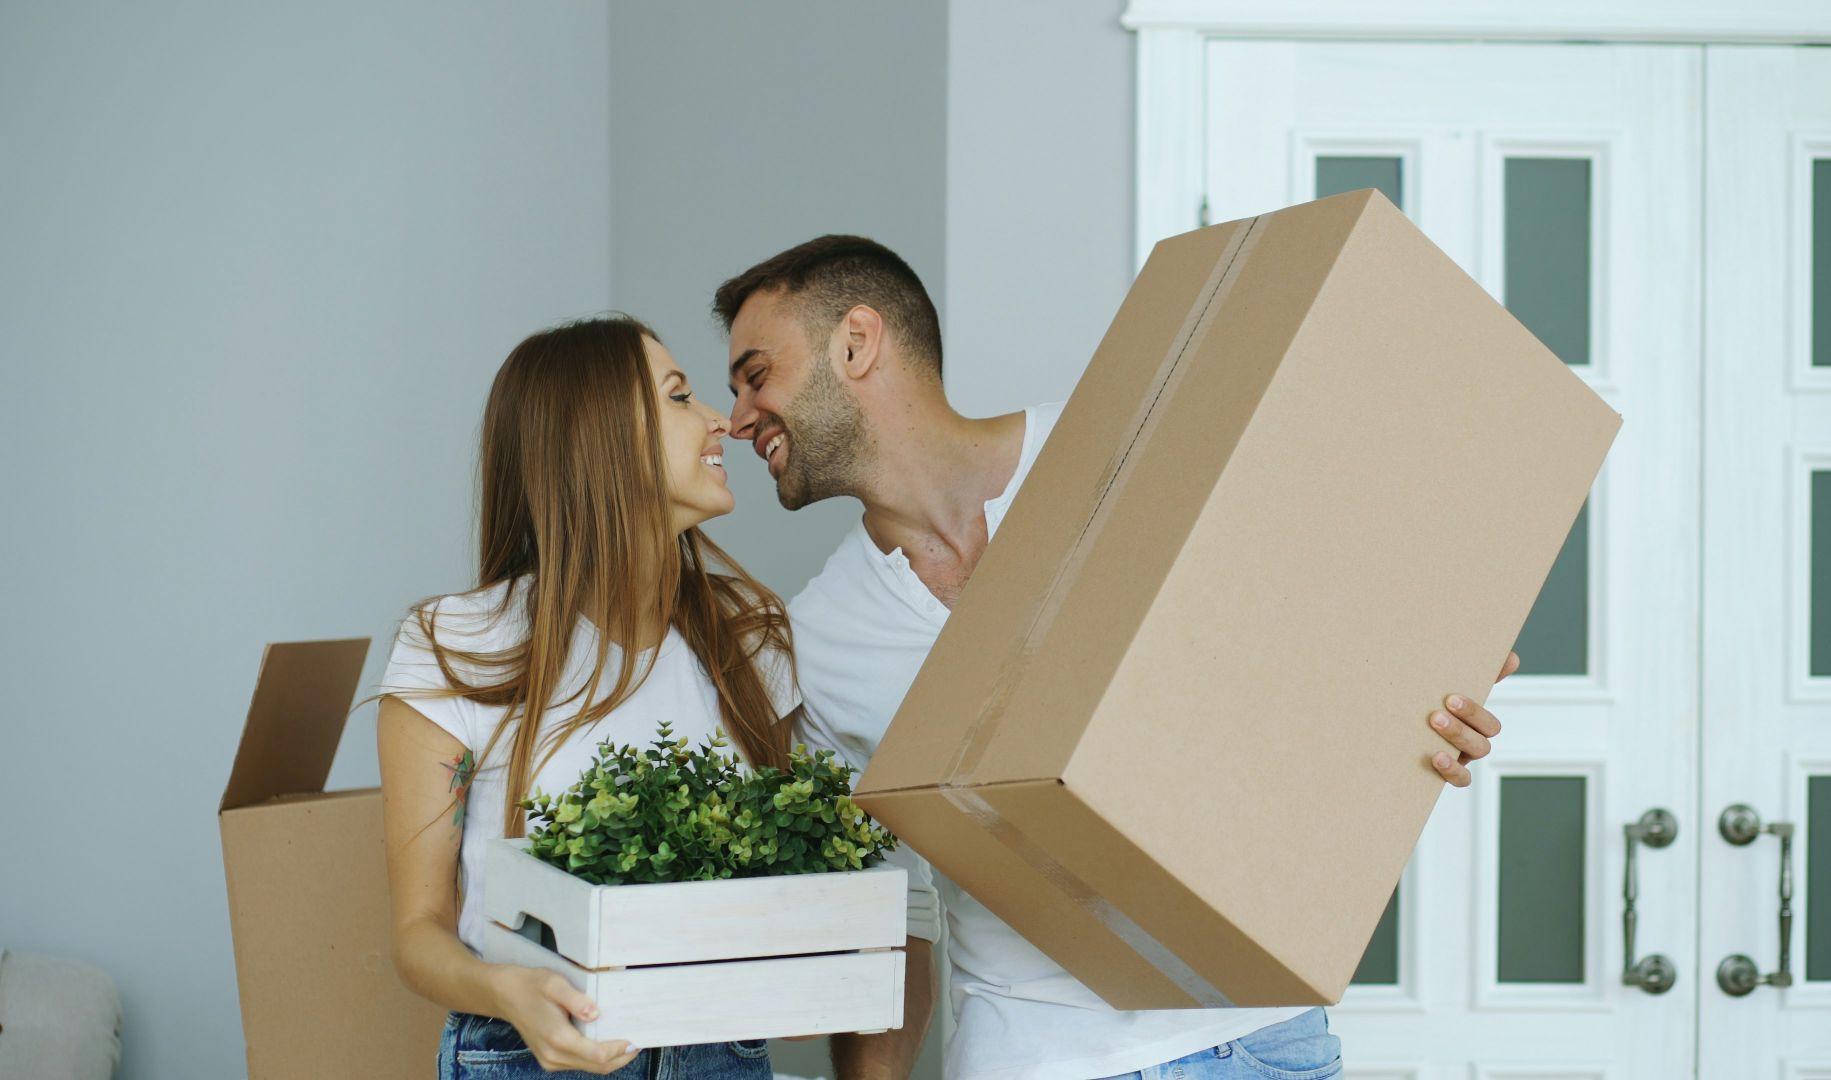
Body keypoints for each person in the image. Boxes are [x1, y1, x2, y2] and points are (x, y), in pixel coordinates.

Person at [712, 236, 1517, 1080]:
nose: (737, 418)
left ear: (856, 341)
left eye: (756, 374)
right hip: (1037, 1055)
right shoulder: (819, 638)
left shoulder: (1130, 458)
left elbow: (1300, 654)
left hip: (1261, 1039)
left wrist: (1424, 703)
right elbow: (895, 906)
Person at [376, 315, 804, 1079]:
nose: (721, 421)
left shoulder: (752, 640)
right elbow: (420, 929)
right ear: (596, 438)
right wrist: (505, 990)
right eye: (679, 397)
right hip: (530, 1054)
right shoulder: (456, 646)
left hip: (723, 1051)